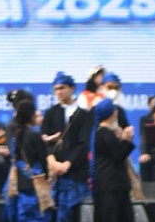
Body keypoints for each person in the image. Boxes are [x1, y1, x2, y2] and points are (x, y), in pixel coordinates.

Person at [42, 71, 92, 222]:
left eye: (62, 88)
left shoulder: (83, 114)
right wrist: (53, 162)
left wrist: (68, 163)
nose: (59, 92)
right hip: (54, 173)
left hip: (76, 171)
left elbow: (84, 143)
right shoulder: (51, 113)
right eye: (56, 89)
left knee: (75, 212)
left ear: (72, 88)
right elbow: (45, 140)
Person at [2, 95, 47, 222]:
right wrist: (48, 176)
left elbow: (14, 156)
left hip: (19, 182)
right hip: (36, 181)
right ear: (31, 115)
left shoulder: (16, 134)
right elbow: (42, 158)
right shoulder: (35, 133)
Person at [92, 99, 136, 222]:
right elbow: (118, 154)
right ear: (114, 113)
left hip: (110, 185)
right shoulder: (105, 133)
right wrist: (127, 139)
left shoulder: (102, 132)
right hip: (112, 185)